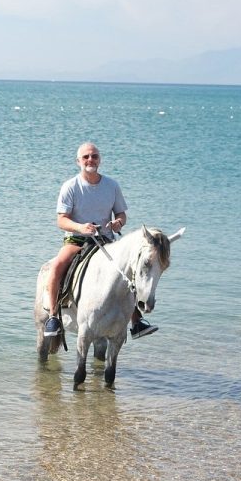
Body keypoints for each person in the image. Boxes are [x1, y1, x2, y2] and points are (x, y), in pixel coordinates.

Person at [43, 142, 158, 340]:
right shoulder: (70, 186)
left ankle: (136, 321)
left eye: (94, 156)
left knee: (126, 273)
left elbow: (121, 213)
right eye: (86, 157)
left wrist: (118, 223)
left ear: (100, 160)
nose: (90, 160)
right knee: (57, 267)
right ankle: (53, 317)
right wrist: (81, 227)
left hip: (105, 240)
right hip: (77, 240)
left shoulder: (112, 185)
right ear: (78, 161)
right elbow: (61, 220)